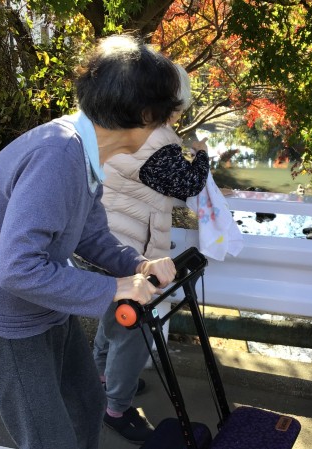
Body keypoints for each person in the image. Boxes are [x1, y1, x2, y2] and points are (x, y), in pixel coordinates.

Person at [0, 34, 181, 449]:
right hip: (7, 315)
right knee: (48, 438)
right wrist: (115, 287)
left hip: (44, 300)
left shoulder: (85, 150)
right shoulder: (59, 154)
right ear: (147, 114)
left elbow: (90, 235)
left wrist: (138, 265)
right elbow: (16, 269)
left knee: (86, 405)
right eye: (164, 116)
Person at [93, 64, 210, 444]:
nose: (178, 114)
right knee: (133, 328)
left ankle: (102, 380)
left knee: (114, 318)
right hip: (129, 249)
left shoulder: (120, 123)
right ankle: (116, 408)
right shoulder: (155, 138)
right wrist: (202, 156)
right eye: (178, 107)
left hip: (104, 241)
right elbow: (187, 184)